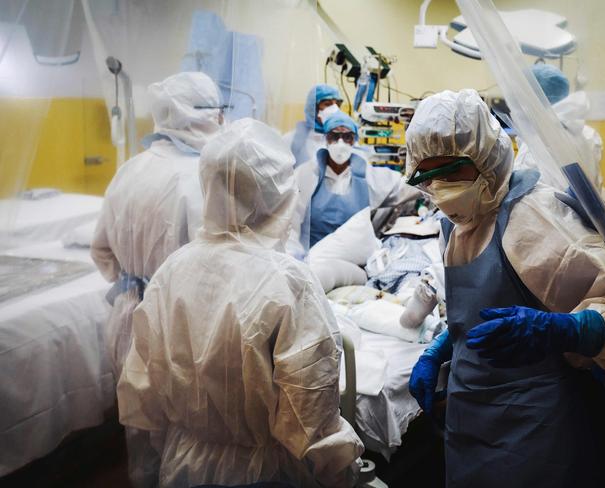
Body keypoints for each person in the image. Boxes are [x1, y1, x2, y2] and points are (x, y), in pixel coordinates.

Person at [405, 89, 605, 488]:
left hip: (537, 432)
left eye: (452, 172)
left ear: (486, 157)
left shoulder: (533, 218)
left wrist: (567, 330)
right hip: (471, 423)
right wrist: (442, 348)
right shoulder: (456, 223)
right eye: (428, 177)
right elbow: (482, 309)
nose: (442, 189)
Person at [117, 118, 364, 488]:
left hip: (183, 464)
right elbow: (310, 416)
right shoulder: (288, 283)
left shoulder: (172, 271)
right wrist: (340, 472)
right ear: (281, 195)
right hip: (265, 472)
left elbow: (142, 387)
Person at [91, 71, 224, 488]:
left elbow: (100, 250)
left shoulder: (130, 169)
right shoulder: (197, 179)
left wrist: (135, 283)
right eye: (217, 113)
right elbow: (211, 270)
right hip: (176, 328)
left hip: (128, 317)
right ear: (200, 116)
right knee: (184, 442)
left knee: (140, 434)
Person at [291, 111, 415, 252]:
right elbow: (291, 220)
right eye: (334, 136)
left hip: (353, 256)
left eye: (347, 137)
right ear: (326, 139)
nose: (340, 143)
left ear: (354, 140)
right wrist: (297, 255)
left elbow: (401, 188)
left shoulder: (366, 175)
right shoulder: (307, 174)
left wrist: (431, 177)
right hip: (312, 254)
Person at [515, 63, 605, 203]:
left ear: (533, 98)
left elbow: (523, 206)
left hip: (554, 222)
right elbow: (596, 184)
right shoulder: (588, 135)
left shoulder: (535, 145)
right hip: (586, 221)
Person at [283, 83, 343, 166]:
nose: (334, 109)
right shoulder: (291, 140)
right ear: (313, 108)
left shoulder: (345, 139)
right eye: (327, 104)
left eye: (337, 104)